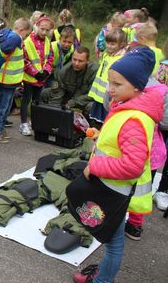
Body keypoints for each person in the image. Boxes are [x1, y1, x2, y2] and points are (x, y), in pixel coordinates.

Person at [73, 47, 163, 283]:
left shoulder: (134, 118)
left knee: (113, 242)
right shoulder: (127, 106)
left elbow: (132, 165)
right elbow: (119, 141)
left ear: (136, 87)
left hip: (116, 190)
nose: (110, 89)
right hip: (112, 188)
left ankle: (103, 279)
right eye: (109, 82)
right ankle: (103, 272)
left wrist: (95, 166)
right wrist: (99, 136)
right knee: (109, 237)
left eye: (117, 84)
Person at [0, 18, 31, 143]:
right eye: (26, 33)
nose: (26, 36)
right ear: (21, 30)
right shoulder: (15, 38)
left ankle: (0, 128)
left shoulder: (13, 36)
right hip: (7, 79)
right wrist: (0, 59)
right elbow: (3, 50)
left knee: (6, 106)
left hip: (11, 79)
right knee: (3, 106)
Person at [20, 16, 54, 136]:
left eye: (47, 30)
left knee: (36, 101)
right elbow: (25, 60)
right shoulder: (28, 41)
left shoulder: (48, 42)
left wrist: (46, 71)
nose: (44, 32)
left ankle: (34, 121)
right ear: (36, 27)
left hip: (41, 78)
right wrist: (35, 73)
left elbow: (50, 58)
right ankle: (23, 123)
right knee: (26, 100)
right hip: (29, 78)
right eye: (42, 29)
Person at [88, 28, 127, 124]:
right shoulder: (107, 54)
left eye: (112, 44)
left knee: (104, 120)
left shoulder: (121, 59)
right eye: (108, 43)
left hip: (108, 95)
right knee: (95, 119)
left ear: (121, 44)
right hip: (99, 94)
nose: (109, 46)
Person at [40, 47, 97, 112]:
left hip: (84, 99)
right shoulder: (64, 72)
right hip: (68, 96)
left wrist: (74, 102)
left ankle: (87, 121)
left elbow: (93, 94)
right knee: (45, 93)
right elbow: (57, 94)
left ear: (87, 61)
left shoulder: (94, 71)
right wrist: (54, 111)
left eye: (80, 61)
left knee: (92, 105)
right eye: (74, 59)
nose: (76, 63)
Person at [153, 40, 168, 211]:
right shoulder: (164, 67)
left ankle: (163, 188)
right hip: (163, 119)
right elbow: (158, 93)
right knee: (158, 151)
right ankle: (161, 190)